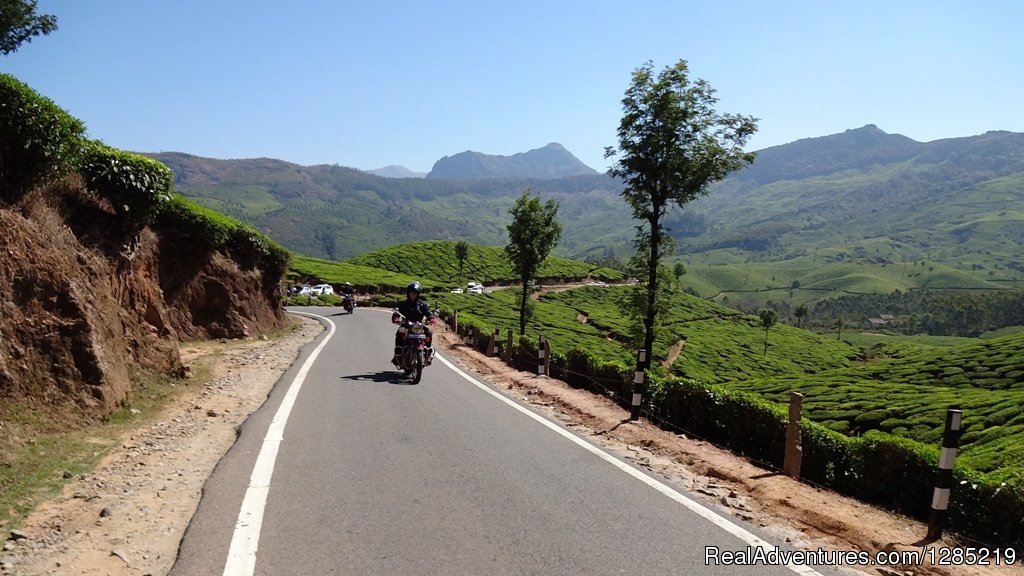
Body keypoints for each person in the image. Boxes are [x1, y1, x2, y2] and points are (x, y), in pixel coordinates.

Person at [392, 281, 435, 366]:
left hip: (419, 325)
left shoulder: (423, 304)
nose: (413, 294)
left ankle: (428, 353)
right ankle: (398, 354)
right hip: (406, 324)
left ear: (418, 293)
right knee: (400, 332)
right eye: (411, 292)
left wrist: (431, 319)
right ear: (408, 293)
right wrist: (396, 318)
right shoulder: (403, 304)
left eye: (415, 293)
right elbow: (396, 313)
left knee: (429, 333)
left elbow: (428, 314)